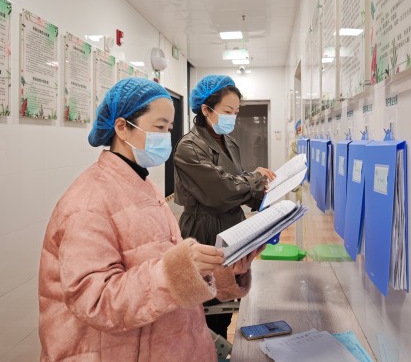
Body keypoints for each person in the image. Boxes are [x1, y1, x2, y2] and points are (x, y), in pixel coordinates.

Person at [38, 78, 261, 362]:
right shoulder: (87, 203)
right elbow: (95, 300)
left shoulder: (144, 186)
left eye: (168, 128)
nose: (166, 137)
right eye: (159, 127)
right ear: (122, 127)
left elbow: (169, 271)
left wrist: (227, 270)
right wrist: (177, 271)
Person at [173, 74, 275, 339]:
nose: (233, 117)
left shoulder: (230, 142)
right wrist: (254, 180)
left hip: (232, 229)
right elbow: (220, 191)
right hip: (203, 231)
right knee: (206, 310)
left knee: (227, 304)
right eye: (227, 111)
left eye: (236, 112)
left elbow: (236, 186)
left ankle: (217, 348)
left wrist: (266, 193)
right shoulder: (188, 148)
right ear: (206, 110)